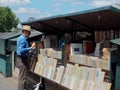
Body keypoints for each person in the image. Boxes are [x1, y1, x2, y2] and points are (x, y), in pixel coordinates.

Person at [17, 25, 35, 90]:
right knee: (22, 78)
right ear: (25, 31)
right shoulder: (23, 39)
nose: (30, 33)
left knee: (21, 77)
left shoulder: (20, 37)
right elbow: (21, 50)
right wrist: (31, 47)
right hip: (22, 60)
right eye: (29, 32)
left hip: (20, 59)